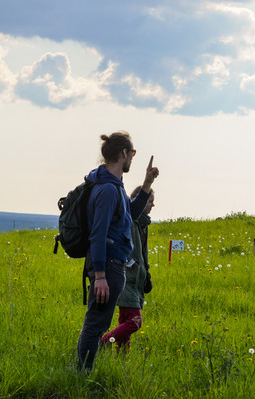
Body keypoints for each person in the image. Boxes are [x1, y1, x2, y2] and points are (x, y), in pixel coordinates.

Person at [76, 132, 159, 371]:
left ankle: (84, 372)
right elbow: (98, 234)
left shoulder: (114, 187)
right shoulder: (108, 190)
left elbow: (130, 216)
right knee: (96, 323)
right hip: (108, 265)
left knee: (98, 322)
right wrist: (100, 276)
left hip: (113, 264)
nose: (132, 158)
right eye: (132, 153)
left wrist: (146, 185)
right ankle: (83, 375)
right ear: (123, 153)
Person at [100, 186, 155, 352]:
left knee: (125, 323)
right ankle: (103, 343)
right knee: (135, 322)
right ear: (142, 200)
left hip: (133, 280)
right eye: (151, 201)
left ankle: (123, 360)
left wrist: (146, 274)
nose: (153, 205)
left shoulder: (140, 224)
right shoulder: (131, 222)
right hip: (128, 279)